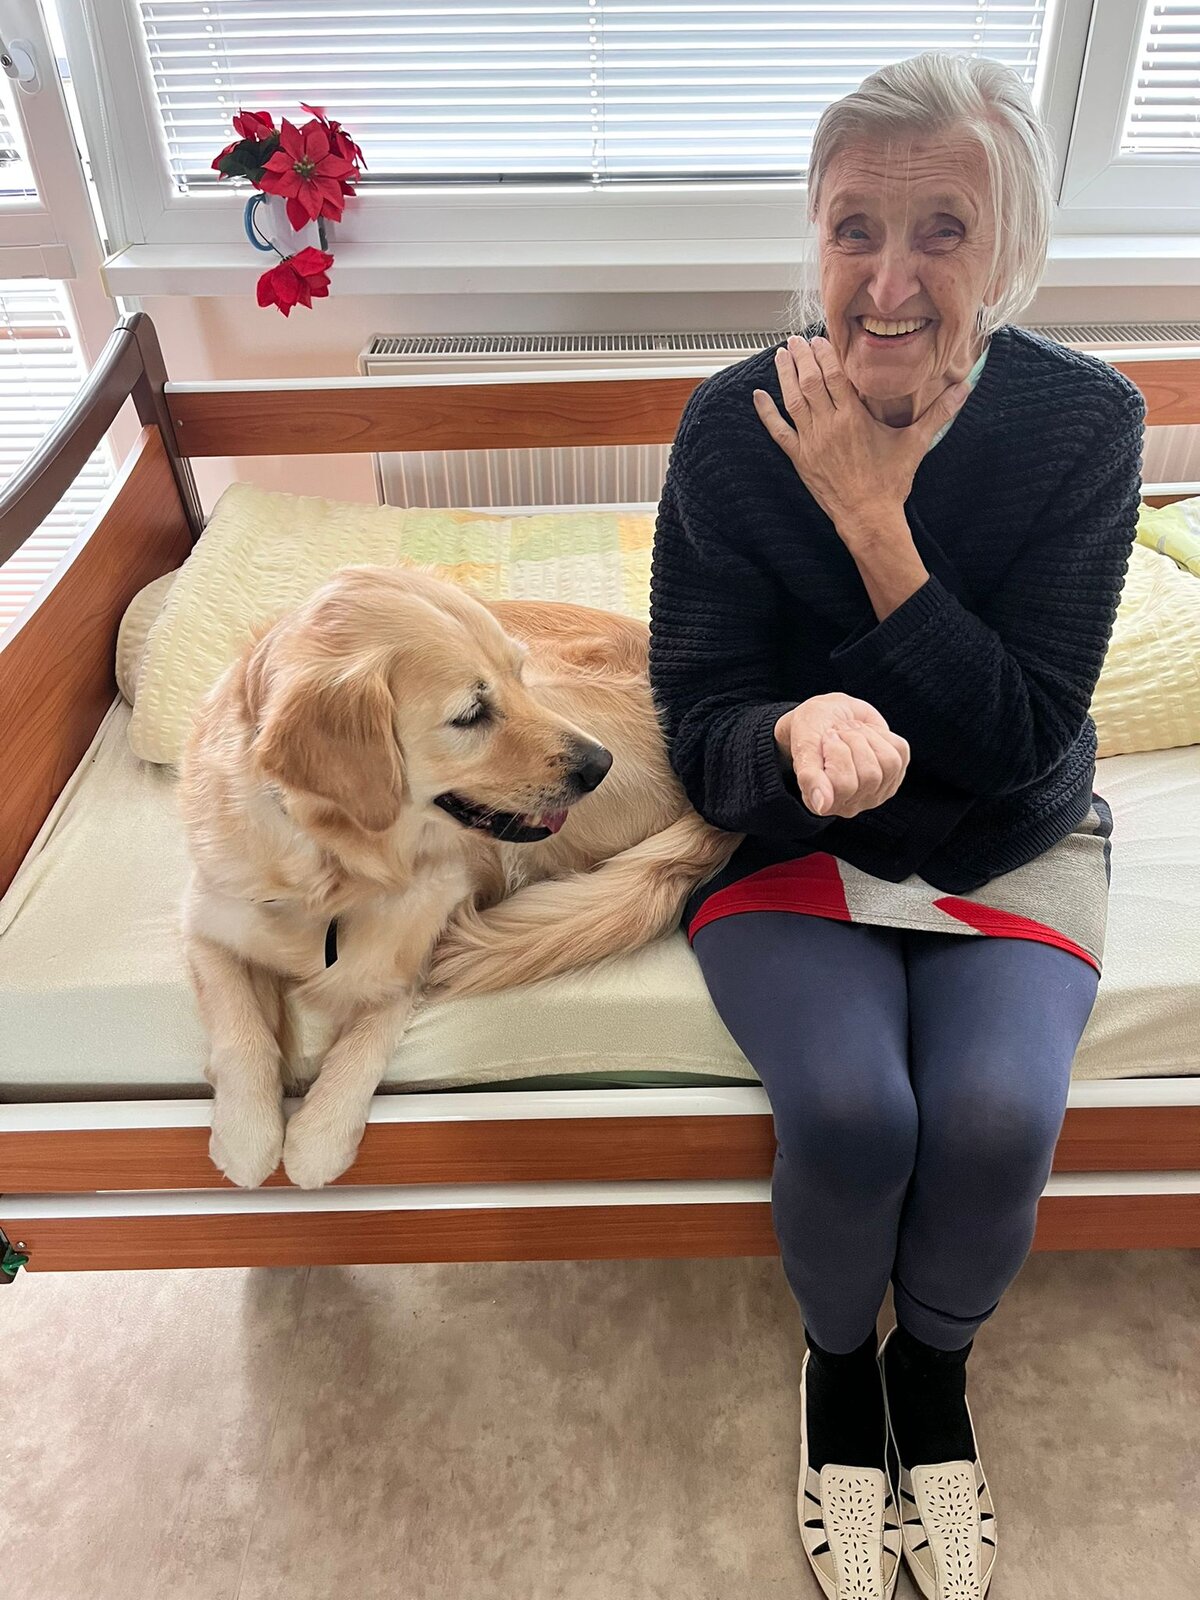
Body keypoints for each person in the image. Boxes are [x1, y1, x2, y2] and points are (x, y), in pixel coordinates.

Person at [648, 52, 1143, 1600]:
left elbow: (1021, 735)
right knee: (855, 1114)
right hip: (795, 842)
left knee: (995, 1120)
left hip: (1012, 831)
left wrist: (874, 519)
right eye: (854, 226)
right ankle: (837, 1373)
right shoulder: (729, 427)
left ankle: (932, 1371)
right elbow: (699, 717)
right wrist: (789, 733)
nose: (889, 280)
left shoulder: (1085, 423)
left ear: (1015, 252)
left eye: (944, 229)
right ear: (812, 236)